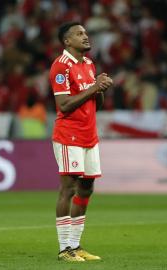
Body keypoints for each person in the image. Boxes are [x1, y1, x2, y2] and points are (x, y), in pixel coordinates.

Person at [49, 22, 113, 262]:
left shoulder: (88, 64)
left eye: (85, 33)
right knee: (68, 189)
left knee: (87, 188)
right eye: (79, 34)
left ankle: (76, 246)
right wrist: (94, 87)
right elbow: (64, 105)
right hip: (69, 135)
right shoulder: (60, 67)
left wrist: (101, 88)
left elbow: (97, 104)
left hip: (89, 135)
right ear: (67, 41)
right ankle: (64, 248)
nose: (85, 36)